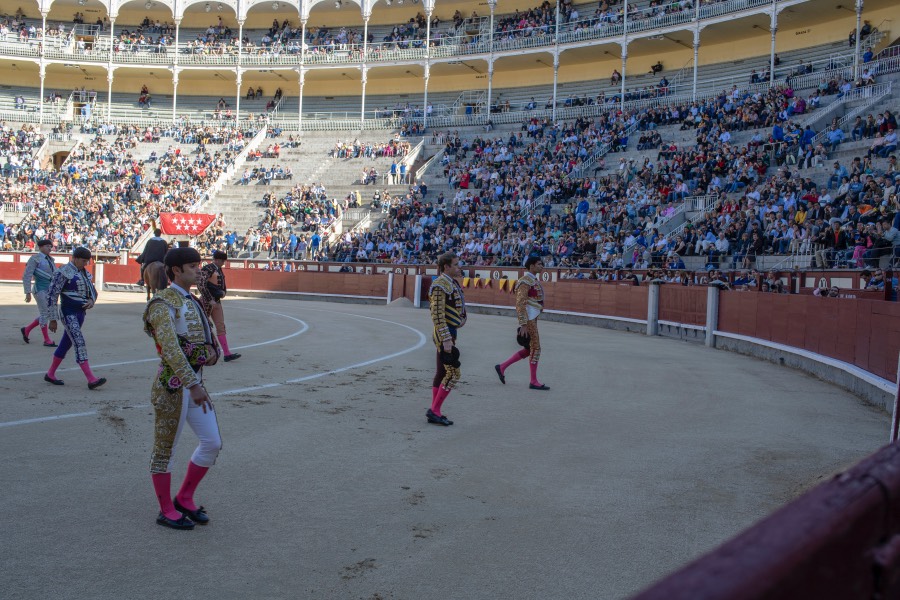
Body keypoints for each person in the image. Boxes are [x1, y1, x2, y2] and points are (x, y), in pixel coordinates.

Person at [143, 247, 222, 530]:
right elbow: (170, 349)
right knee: (165, 450)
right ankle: (165, 509)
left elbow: (205, 342)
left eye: (198, 265)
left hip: (195, 384)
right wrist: (193, 382)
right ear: (176, 270)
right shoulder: (162, 303)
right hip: (173, 387)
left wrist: (210, 353)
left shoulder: (193, 300)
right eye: (192, 265)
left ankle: (184, 497)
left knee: (212, 442)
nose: (198, 270)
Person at [44, 247, 106, 389]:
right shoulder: (63, 272)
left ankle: (50, 374)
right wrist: (52, 319)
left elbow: (93, 292)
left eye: (87, 261)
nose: (85, 264)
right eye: (83, 261)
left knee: (66, 343)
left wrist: (92, 300)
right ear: (75, 258)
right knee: (79, 342)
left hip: (80, 314)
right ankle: (91, 379)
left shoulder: (84, 272)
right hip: (69, 312)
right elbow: (52, 295)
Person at [494, 256, 549, 390]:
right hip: (528, 319)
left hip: (532, 318)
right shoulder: (525, 281)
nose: (542, 266)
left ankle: (502, 367)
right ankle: (533, 381)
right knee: (535, 348)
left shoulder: (532, 280)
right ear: (531, 266)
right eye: (539, 264)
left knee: (529, 349)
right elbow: (520, 303)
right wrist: (523, 324)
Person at [427, 252, 467, 426]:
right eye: (456, 264)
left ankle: (435, 410)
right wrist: (446, 339)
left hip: (450, 332)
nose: (459, 267)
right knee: (453, 373)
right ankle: (434, 410)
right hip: (445, 334)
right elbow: (437, 314)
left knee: (442, 372)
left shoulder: (449, 283)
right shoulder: (440, 285)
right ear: (446, 267)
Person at [197, 250, 241, 362]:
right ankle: (200, 354)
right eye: (222, 261)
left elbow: (222, 285)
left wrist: (223, 293)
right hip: (206, 302)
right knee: (203, 327)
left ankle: (227, 354)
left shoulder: (218, 269)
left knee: (220, 326)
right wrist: (209, 299)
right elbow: (201, 284)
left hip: (216, 301)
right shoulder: (207, 269)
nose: (223, 263)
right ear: (217, 259)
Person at [20, 239, 58, 347]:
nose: (49, 248)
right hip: (39, 289)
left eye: (50, 247)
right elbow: (27, 275)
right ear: (40, 247)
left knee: (45, 313)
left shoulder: (51, 260)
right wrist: (27, 292)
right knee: (45, 313)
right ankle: (46, 340)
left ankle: (26, 329)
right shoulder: (35, 258)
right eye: (47, 246)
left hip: (49, 290)